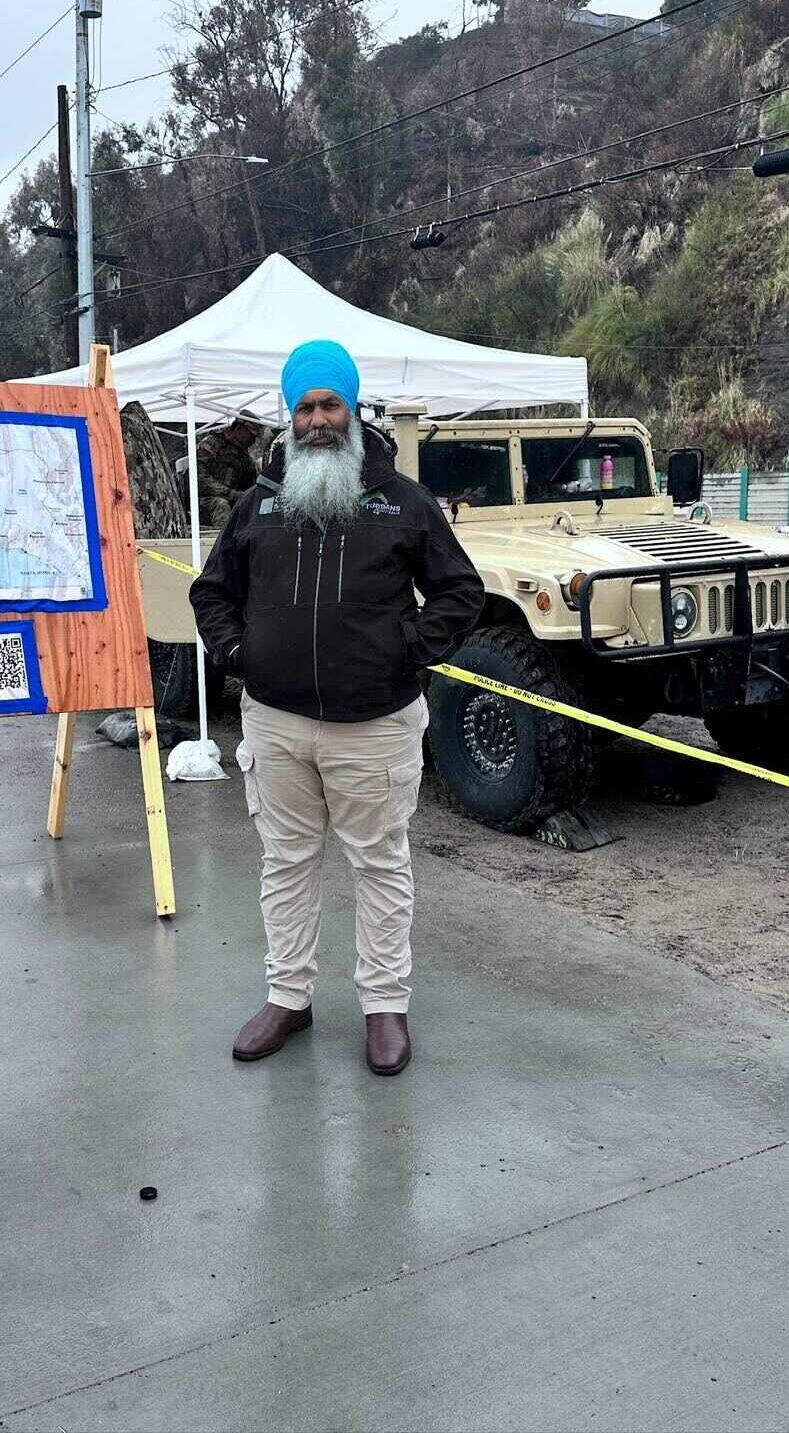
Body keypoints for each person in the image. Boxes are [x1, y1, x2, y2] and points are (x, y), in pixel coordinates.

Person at [190, 340, 485, 1075]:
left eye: (330, 405)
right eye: (305, 407)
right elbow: (210, 593)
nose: (318, 420)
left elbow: (462, 592)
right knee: (285, 863)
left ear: (354, 412)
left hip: (375, 728)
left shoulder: (403, 501)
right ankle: (289, 997)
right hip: (277, 725)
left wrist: (405, 648)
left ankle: (385, 1006)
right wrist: (238, 655)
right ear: (289, 418)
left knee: (380, 864)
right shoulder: (260, 504)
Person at [196, 415, 260, 528]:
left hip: (230, 499)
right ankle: (222, 542)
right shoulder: (213, 444)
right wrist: (230, 493)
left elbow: (251, 484)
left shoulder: (243, 456)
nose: (253, 441)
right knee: (221, 505)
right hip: (204, 500)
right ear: (239, 429)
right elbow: (200, 478)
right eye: (251, 435)